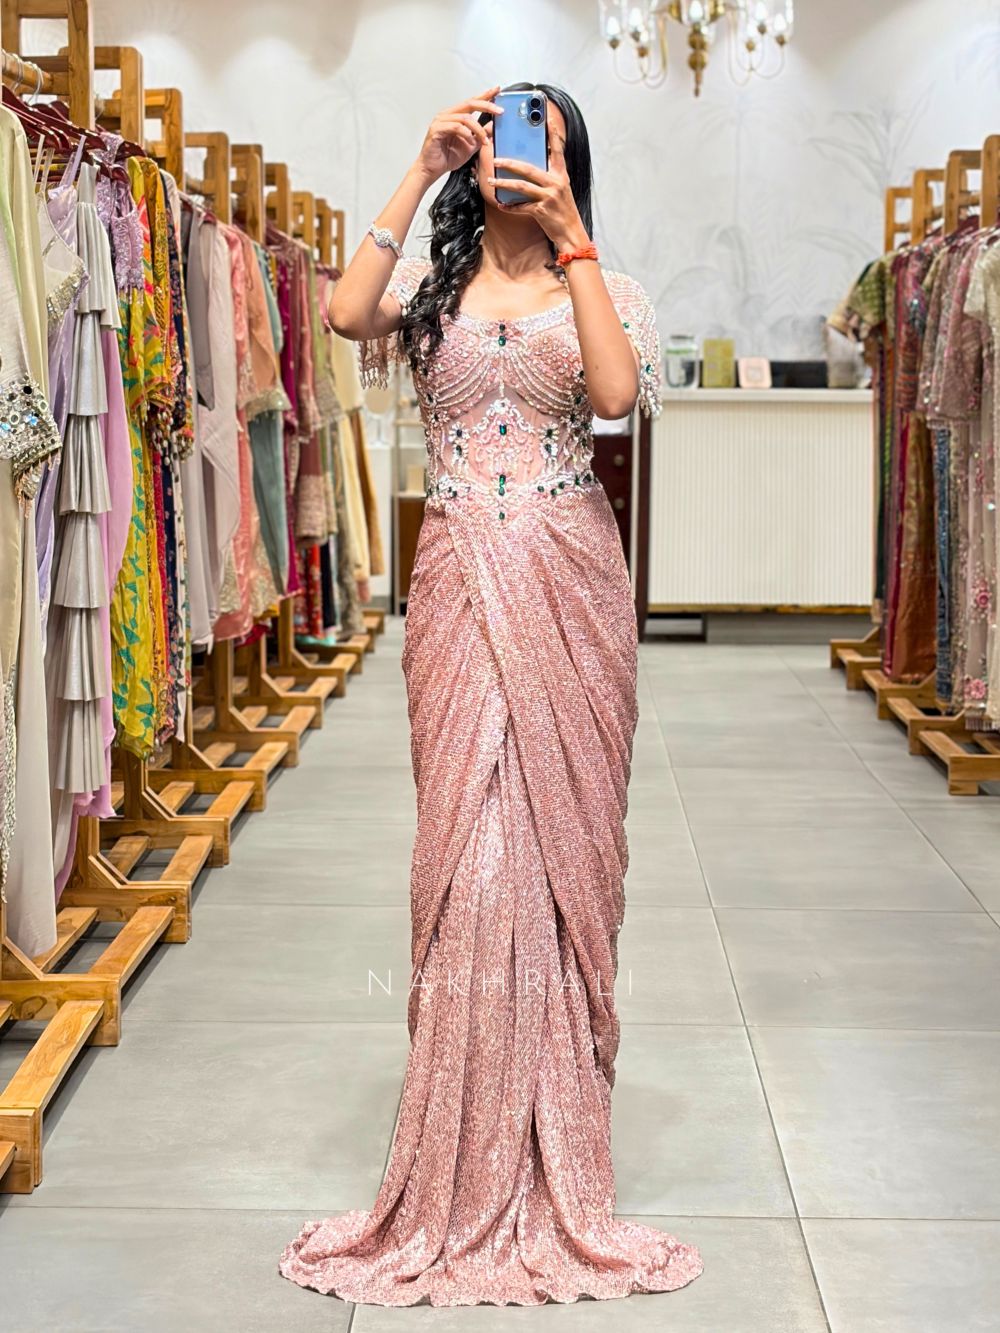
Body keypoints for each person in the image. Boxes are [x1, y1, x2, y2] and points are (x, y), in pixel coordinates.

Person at [278, 80, 704, 1307]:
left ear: (569, 162)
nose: (515, 160)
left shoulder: (607, 288)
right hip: (459, 582)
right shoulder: (431, 291)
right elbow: (344, 311)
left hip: (571, 585)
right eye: (502, 143)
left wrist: (572, 234)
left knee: (563, 856)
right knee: (465, 853)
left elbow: (613, 399)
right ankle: (456, 1153)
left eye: (542, 143)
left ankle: (554, 1140)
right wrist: (418, 168)